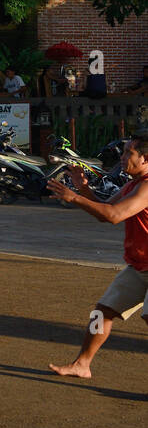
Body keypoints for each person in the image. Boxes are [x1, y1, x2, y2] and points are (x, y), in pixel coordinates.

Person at [46, 137, 148, 379]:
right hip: (139, 266)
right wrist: (82, 189)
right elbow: (104, 211)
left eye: (128, 153)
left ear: (145, 159)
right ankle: (82, 364)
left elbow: (114, 216)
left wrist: (74, 197)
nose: (122, 158)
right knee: (101, 313)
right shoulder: (133, 185)